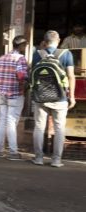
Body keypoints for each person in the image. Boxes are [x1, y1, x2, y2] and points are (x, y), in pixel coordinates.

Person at [32, 30, 76, 167]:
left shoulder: (37, 54)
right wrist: (72, 97)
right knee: (59, 128)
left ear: (44, 42)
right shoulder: (66, 53)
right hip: (60, 97)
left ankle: (38, 158)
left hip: (40, 97)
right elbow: (71, 76)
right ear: (59, 40)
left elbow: (33, 73)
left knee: (39, 127)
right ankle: (56, 160)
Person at [0, 35, 28, 160]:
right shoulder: (20, 59)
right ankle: (13, 152)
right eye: (25, 45)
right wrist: (25, 83)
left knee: (3, 120)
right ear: (21, 46)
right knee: (11, 122)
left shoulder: (1, 58)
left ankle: (0, 150)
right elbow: (21, 76)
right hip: (15, 95)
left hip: (2, 94)